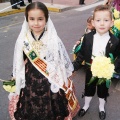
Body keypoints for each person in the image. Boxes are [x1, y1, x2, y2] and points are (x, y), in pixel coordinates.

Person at [8, 2, 80, 120]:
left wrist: (65, 75)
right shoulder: (23, 39)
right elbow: (19, 59)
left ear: (46, 19)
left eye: (40, 19)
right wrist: (15, 75)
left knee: (52, 102)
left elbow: (59, 59)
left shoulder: (53, 39)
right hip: (29, 77)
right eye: (32, 19)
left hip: (49, 77)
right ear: (27, 20)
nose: (36, 23)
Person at [72, 5, 120, 120]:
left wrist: (113, 68)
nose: (102, 23)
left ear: (112, 23)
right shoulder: (88, 38)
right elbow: (82, 54)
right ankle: (86, 105)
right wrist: (74, 66)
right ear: (93, 22)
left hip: (105, 73)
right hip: (91, 68)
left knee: (103, 90)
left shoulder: (115, 41)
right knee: (89, 87)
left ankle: (101, 107)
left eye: (106, 20)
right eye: (98, 20)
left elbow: (118, 57)